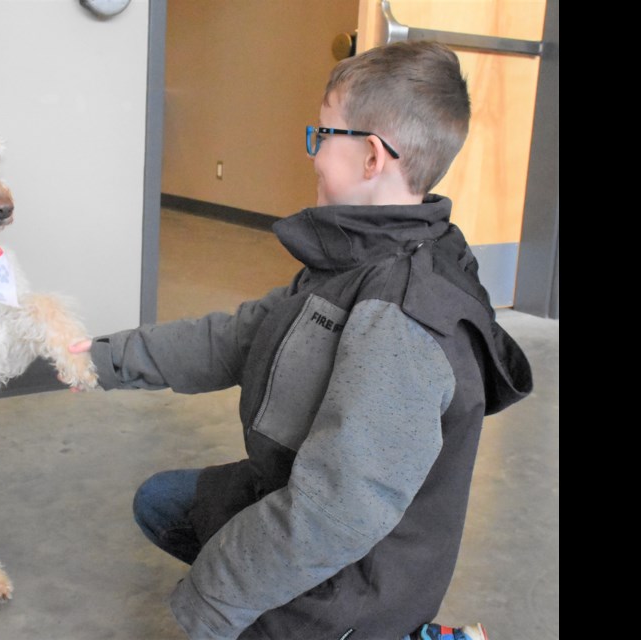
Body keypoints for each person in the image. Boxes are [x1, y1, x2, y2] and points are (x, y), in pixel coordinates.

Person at [71, 41, 532, 639]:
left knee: (229, 581)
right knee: (163, 501)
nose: (311, 151)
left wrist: (214, 601)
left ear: (371, 158)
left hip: (353, 577)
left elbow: (337, 513)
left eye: (323, 134)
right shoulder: (360, 253)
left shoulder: (404, 320)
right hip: (298, 488)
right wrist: (101, 360)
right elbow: (235, 337)